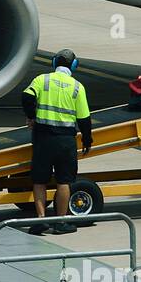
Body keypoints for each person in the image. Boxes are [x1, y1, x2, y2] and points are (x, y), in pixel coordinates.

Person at [21, 49, 93, 234]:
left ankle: (41, 220)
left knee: (39, 181)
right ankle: (61, 223)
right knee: (64, 181)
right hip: (65, 141)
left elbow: (26, 96)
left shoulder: (41, 80)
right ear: (74, 66)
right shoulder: (78, 87)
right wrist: (87, 139)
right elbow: (84, 119)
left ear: (54, 63)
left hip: (43, 138)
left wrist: (32, 116)